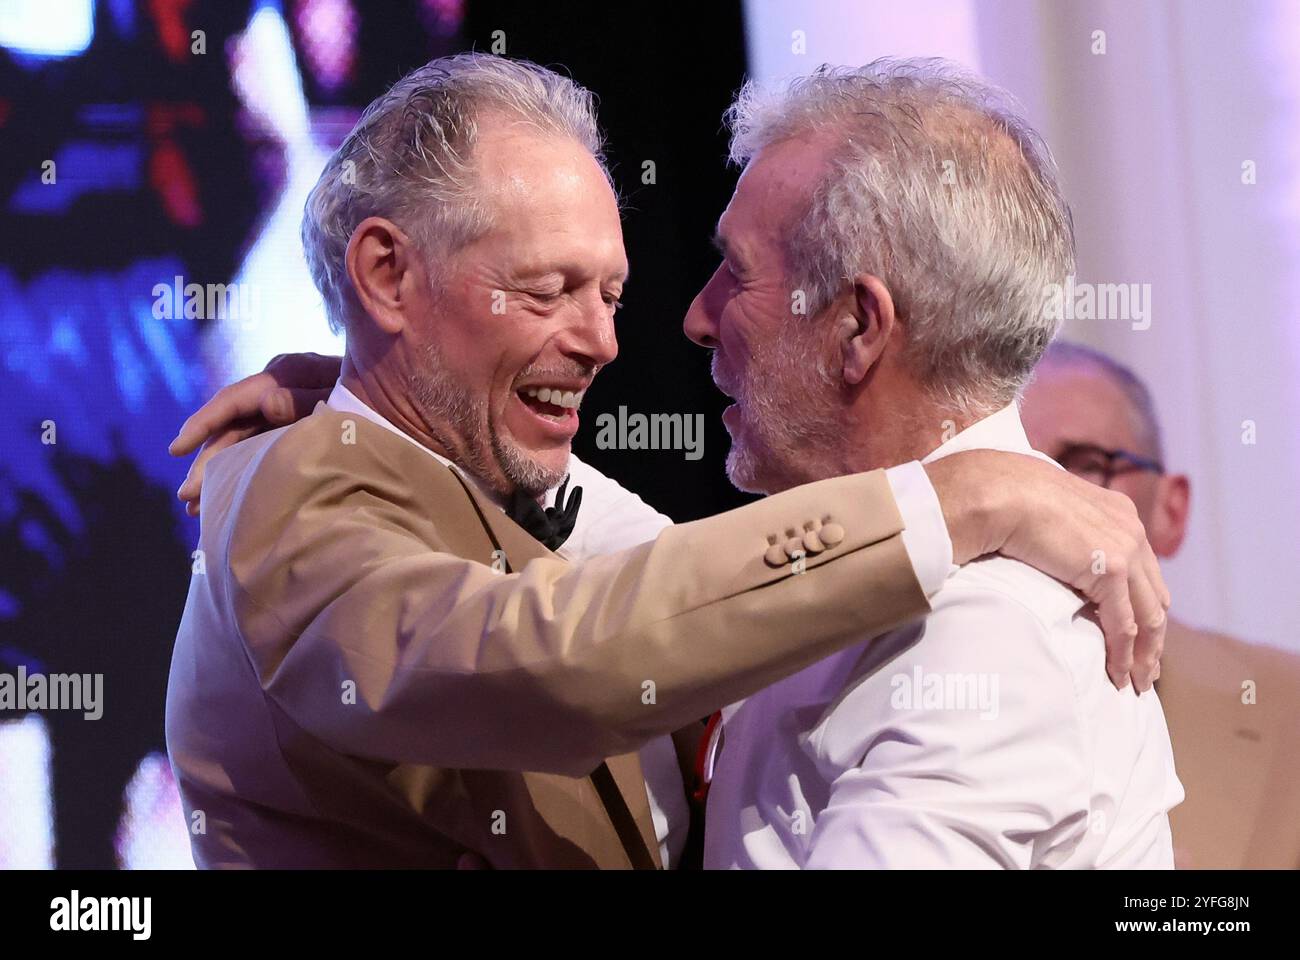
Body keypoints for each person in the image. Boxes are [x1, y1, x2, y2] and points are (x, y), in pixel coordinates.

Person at [168, 54, 1167, 869]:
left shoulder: (986, 631)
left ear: (858, 326)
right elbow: (557, 651)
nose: (626, 338)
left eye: (607, 294)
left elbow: (649, 605)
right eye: (549, 286)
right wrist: (954, 498)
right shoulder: (294, 489)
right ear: (388, 275)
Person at [1022, 339, 1300, 868]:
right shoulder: (872, 696)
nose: (1038, 504)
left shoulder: (1291, 710)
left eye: (1084, 465)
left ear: (1171, 511)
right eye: (1009, 471)